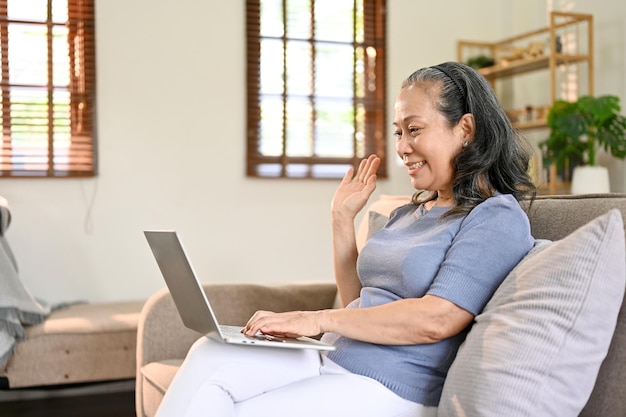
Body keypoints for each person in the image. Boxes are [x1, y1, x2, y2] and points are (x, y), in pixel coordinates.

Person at [155, 61, 536, 417]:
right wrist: (341, 219)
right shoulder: (408, 213)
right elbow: (359, 301)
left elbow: (437, 319)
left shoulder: (495, 217)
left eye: (414, 129)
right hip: (331, 356)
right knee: (208, 355)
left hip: (393, 386)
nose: (402, 146)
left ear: (465, 130)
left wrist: (313, 318)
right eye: (399, 132)